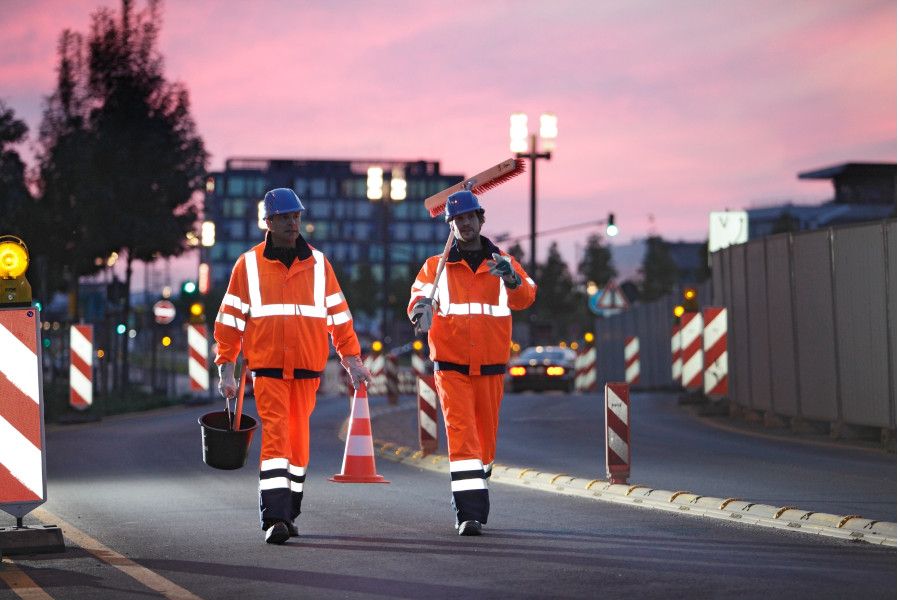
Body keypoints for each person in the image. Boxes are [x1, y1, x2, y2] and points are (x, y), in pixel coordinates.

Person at [214, 188, 371, 545]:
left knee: (298, 446)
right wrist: (226, 367)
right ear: (268, 222)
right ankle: (275, 517)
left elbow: (339, 318)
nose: (292, 223)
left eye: (296, 216)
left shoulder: (319, 264)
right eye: (284, 217)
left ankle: (290, 510)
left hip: (306, 370)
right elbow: (229, 322)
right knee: (276, 438)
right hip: (269, 369)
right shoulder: (248, 265)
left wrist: (352, 360)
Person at [407, 190, 536, 536]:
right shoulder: (435, 267)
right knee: (462, 436)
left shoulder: (503, 262)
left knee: (485, 444)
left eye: (469, 217)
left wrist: (510, 278)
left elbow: (526, 296)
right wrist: (420, 310)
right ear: (450, 225)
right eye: (457, 219)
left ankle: (476, 484)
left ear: (481, 219)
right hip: (451, 366)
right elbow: (418, 298)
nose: (464, 223)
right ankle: (469, 513)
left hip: (491, 366)